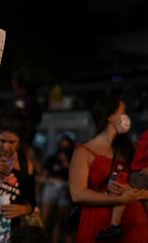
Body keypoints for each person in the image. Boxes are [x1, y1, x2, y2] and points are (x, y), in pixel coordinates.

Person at [69, 94, 148, 243]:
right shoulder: (83, 152)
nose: (126, 118)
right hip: (98, 224)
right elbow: (77, 194)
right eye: (123, 113)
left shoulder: (133, 150)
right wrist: (117, 198)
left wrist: (138, 195)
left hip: (135, 227)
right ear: (110, 117)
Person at [95, 129, 148, 240]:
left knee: (120, 188)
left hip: (140, 174)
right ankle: (115, 226)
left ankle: (115, 226)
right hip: (139, 173)